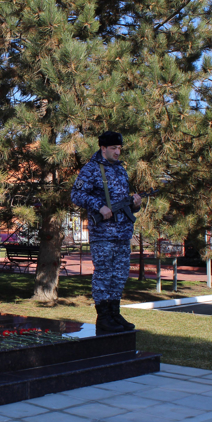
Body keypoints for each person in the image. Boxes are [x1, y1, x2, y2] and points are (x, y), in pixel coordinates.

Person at [70, 131, 141, 332]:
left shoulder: (121, 171)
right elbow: (76, 194)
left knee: (119, 274)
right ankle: (103, 317)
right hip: (103, 233)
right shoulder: (91, 169)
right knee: (104, 274)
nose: (118, 152)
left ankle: (114, 313)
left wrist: (135, 204)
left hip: (122, 233)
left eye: (119, 148)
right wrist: (99, 206)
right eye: (113, 148)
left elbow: (124, 201)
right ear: (103, 148)